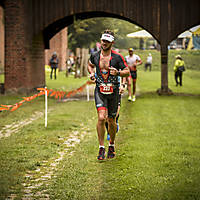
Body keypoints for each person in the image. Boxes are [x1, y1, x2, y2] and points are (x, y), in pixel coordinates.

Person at [87, 30, 130, 160]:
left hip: (114, 92)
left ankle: (111, 144)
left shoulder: (117, 57)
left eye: (107, 41)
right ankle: (101, 148)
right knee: (101, 118)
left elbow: (127, 71)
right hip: (100, 90)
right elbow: (89, 65)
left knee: (111, 120)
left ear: (112, 42)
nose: (104, 43)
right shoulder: (95, 55)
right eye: (102, 41)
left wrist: (118, 73)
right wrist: (91, 73)